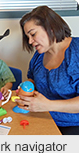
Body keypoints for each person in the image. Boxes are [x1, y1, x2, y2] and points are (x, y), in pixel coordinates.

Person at [18, 5, 79, 135]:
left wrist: (48, 105)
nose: (30, 41)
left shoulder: (76, 51)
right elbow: (33, 79)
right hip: (41, 118)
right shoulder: (39, 56)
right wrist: (25, 89)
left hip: (72, 125)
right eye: (27, 37)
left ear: (51, 28)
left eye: (33, 34)